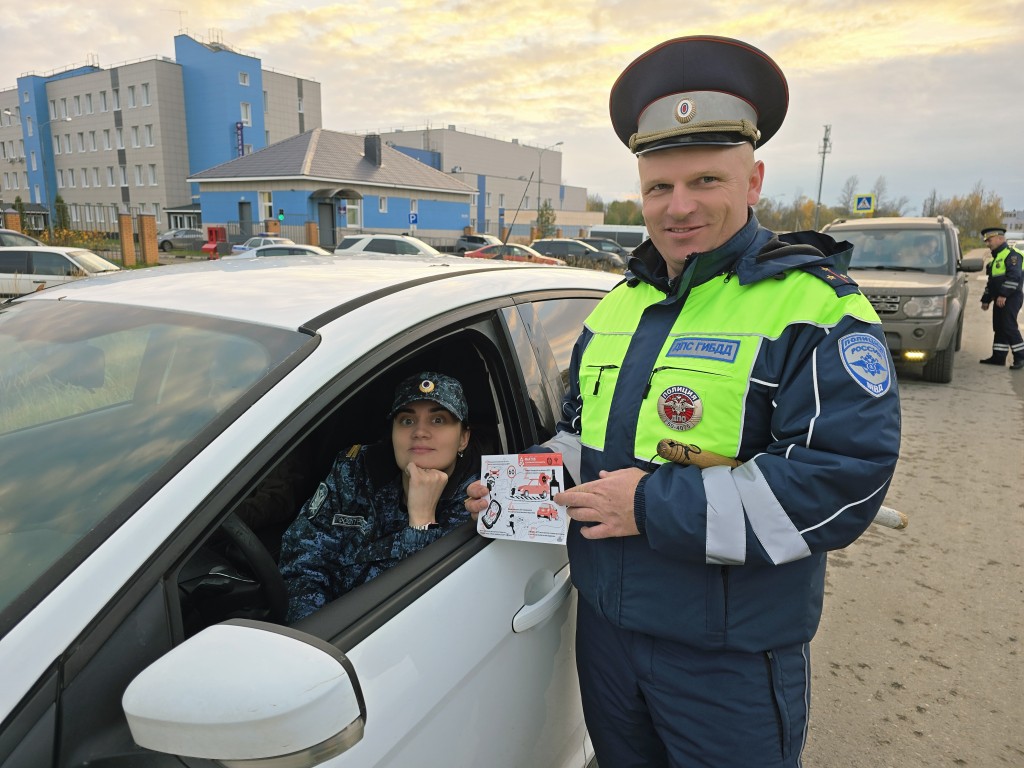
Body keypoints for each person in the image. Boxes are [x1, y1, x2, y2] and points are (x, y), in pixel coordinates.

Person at [466, 36, 901, 768]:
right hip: (606, 633)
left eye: (705, 180)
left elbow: (841, 484)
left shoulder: (813, 307)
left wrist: (649, 506)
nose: (680, 207)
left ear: (754, 178)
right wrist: (527, 478)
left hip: (728, 656)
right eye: (659, 187)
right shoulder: (620, 305)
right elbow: (588, 437)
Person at [280, 371, 477, 622]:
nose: (419, 432)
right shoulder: (354, 471)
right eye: (407, 421)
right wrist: (314, 636)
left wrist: (422, 520)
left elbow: (431, 616)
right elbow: (301, 562)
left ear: (463, 439)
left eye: (438, 420)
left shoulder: (478, 506)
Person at [978, 226, 1024, 369]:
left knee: (1009, 326)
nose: (988, 243)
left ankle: (1021, 357)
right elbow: (991, 282)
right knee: (999, 326)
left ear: (1000, 238)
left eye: (990, 240)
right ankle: (998, 357)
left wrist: (1004, 294)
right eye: (986, 241)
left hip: (1011, 297)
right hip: (999, 297)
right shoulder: (994, 260)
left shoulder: (1012, 255)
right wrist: (986, 299)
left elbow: (1014, 277)